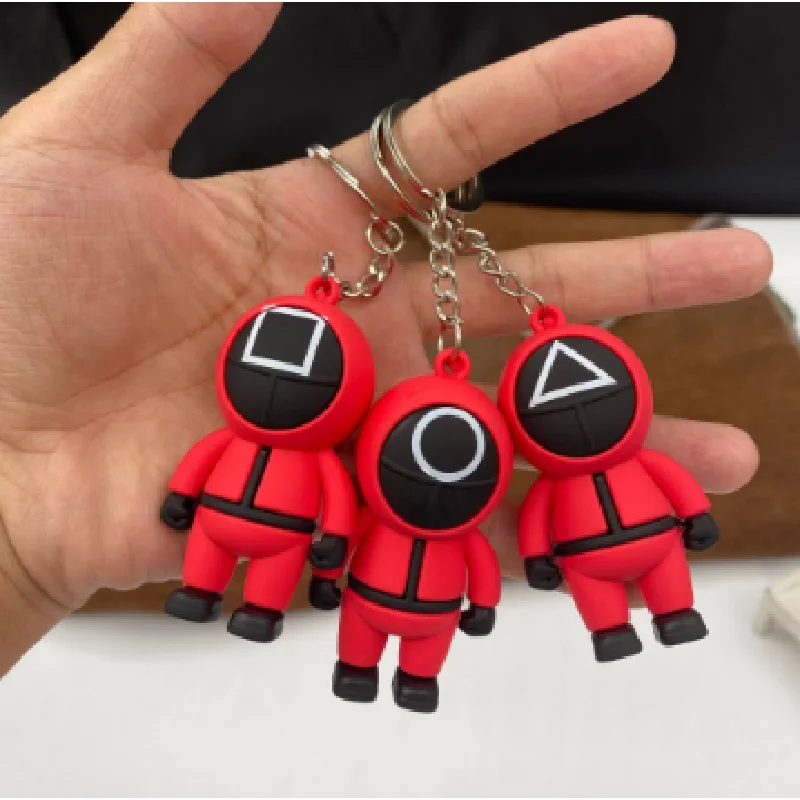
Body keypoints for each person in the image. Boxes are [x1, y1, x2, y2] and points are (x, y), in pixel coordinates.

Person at [0, 3, 770, 677]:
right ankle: (226, 601)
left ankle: (647, 619)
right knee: (272, 587)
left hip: (373, 552)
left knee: (370, 607)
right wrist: (292, 530)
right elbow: (341, 498)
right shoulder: (294, 452)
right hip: (309, 544)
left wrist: (527, 560)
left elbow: (458, 519)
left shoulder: (491, 476)